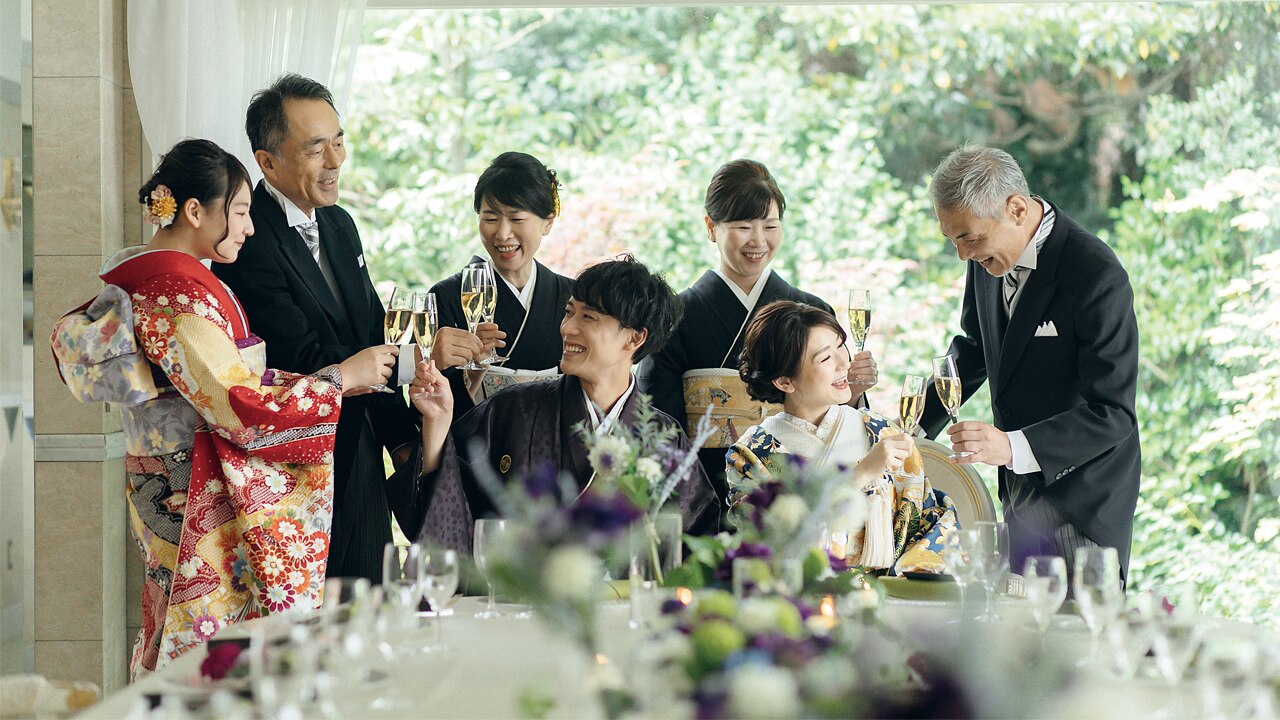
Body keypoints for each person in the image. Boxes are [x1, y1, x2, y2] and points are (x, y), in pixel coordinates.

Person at [49, 139, 395, 677]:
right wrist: (339, 380)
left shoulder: (161, 280)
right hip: (191, 489)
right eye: (238, 212)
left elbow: (235, 383)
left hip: (168, 478)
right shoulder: (176, 294)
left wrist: (326, 381)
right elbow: (240, 407)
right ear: (194, 211)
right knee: (202, 638)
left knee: (180, 625)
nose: (249, 227)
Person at [212, 74, 419, 583]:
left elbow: (372, 332)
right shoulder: (247, 235)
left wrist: (404, 442)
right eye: (315, 148)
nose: (335, 160)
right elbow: (301, 358)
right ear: (267, 162)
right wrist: (408, 362)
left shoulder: (340, 223)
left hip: (362, 458)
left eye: (340, 141)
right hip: (293, 479)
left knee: (370, 625)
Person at [388, 256, 717, 553]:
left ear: (634, 338)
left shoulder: (664, 437)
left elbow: (693, 548)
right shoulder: (512, 410)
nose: (567, 328)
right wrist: (436, 426)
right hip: (518, 609)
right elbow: (446, 520)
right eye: (569, 312)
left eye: (588, 317)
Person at [919, 145, 1141, 582]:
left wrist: (1010, 447)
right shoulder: (986, 255)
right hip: (1017, 500)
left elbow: (1115, 414)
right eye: (953, 240)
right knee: (1019, 643)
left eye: (970, 239)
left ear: (1017, 209)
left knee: (1078, 645)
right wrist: (911, 431)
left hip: (1083, 511)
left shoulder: (1095, 274)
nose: (963, 255)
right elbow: (976, 346)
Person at [637, 159, 877, 529]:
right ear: (710, 227)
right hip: (706, 504)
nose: (759, 241)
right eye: (743, 226)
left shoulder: (812, 311)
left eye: (770, 226)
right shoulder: (676, 318)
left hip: (806, 500)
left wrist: (854, 392)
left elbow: (838, 421)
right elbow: (659, 428)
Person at [725, 301, 958, 572]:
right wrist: (861, 473)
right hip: (806, 603)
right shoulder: (752, 453)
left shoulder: (881, 433)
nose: (843, 363)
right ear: (785, 381)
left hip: (891, 597)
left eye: (840, 346)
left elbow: (930, 525)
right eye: (825, 358)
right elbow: (770, 548)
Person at [429, 151, 574, 420]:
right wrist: (471, 368)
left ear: (548, 222)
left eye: (517, 219)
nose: (503, 233)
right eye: (490, 219)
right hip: (474, 451)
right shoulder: (447, 296)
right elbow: (428, 399)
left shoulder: (573, 297)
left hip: (555, 448)